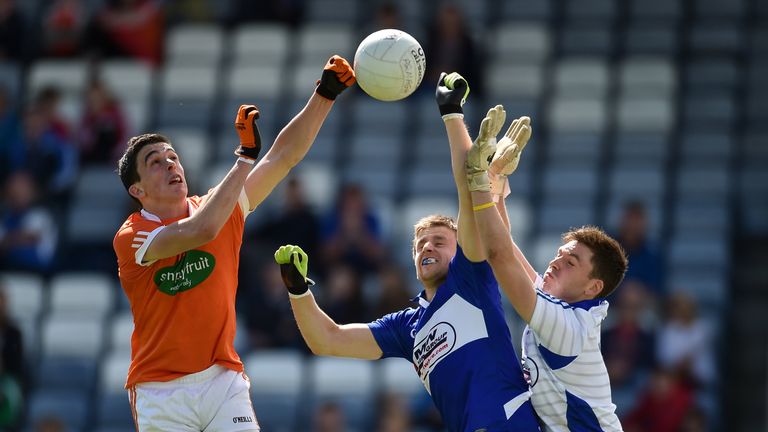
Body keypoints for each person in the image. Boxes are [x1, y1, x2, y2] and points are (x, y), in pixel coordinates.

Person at [272, 72, 540, 431]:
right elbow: (327, 340)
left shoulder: (470, 278)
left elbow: (468, 183)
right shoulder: (405, 327)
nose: (427, 247)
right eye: (420, 244)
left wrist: (451, 114)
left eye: (439, 241)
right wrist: (298, 290)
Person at [112, 55, 355, 431]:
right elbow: (200, 232)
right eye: (155, 162)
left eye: (173, 156)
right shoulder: (132, 235)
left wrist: (325, 94)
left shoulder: (218, 206)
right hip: (160, 390)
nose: (171, 164)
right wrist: (243, 161)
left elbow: (281, 158)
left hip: (222, 380)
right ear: (137, 189)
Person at [463, 101, 628, 429]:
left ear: (592, 287)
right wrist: (496, 183)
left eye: (571, 261)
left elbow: (499, 258)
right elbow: (507, 245)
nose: (556, 261)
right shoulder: (562, 306)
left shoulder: (568, 328)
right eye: (559, 253)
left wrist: (479, 181)